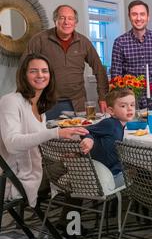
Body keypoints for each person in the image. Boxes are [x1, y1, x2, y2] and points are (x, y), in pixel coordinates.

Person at [0, 54, 89, 208]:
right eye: (33, 71)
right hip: (16, 177)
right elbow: (12, 144)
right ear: (24, 75)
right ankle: (70, 224)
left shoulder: (40, 108)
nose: (40, 75)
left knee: (81, 159)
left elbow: (40, 142)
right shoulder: (11, 101)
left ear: (50, 76)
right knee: (83, 167)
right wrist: (56, 132)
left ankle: (68, 222)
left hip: (37, 168)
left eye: (44, 71)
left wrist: (71, 145)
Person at [25, 4, 109, 119]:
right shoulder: (39, 40)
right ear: (55, 20)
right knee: (49, 135)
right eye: (62, 18)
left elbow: (99, 69)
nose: (66, 22)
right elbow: (24, 69)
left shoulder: (83, 42)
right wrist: (28, 98)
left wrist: (103, 97)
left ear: (75, 22)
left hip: (77, 103)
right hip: (46, 102)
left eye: (70, 18)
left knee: (79, 135)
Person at [111, 0, 152, 109]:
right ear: (129, 16)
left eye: (142, 14)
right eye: (134, 14)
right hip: (129, 102)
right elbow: (116, 78)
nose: (138, 18)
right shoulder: (120, 42)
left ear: (148, 17)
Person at [80, 88, 136, 188]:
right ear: (111, 111)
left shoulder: (119, 125)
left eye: (132, 105)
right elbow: (84, 130)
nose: (129, 108)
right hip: (108, 177)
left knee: (134, 168)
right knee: (142, 174)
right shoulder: (110, 123)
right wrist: (89, 138)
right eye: (123, 106)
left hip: (109, 172)